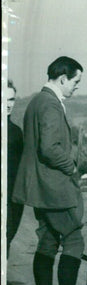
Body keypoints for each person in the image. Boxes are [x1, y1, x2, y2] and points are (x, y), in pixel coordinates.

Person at [12, 56, 87, 285]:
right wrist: (72, 167)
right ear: (62, 79)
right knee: (73, 240)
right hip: (53, 187)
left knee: (49, 240)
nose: (77, 87)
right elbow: (50, 149)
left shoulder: (36, 102)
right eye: (76, 81)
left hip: (40, 188)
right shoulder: (50, 104)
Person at [6, 80, 25, 249]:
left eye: (11, 99)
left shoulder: (16, 132)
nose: (7, 104)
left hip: (13, 200)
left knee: (6, 243)